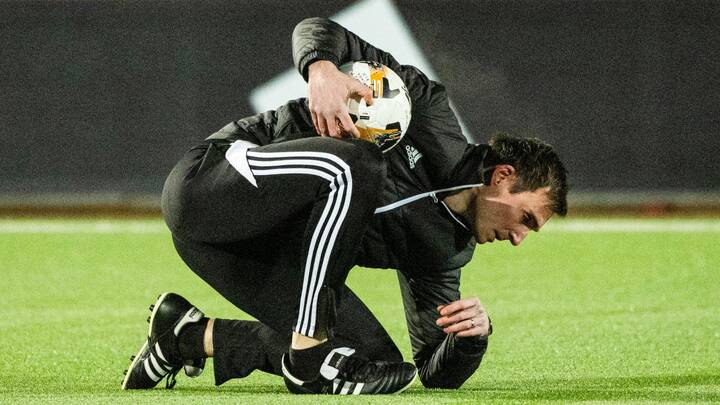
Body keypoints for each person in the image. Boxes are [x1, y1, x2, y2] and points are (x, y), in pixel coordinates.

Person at [121, 17, 568, 395]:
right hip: (211, 184)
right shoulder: (427, 112)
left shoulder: (445, 250)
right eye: (526, 218)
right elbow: (317, 29)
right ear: (503, 177)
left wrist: (473, 338)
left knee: (374, 365)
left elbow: (432, 370)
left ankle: (186, 336)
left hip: (241, 252)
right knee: (358, 166)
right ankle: (309, 352)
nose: (517, 238)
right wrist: (321, 69)